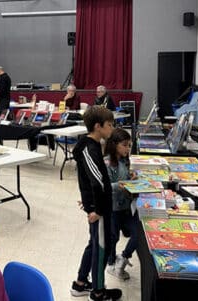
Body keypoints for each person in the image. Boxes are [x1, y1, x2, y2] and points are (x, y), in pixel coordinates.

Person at [71, 105, 122, 301]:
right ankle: (98, 292)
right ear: (98, 126)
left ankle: (81, 283)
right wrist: (97, 209)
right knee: (102, 248)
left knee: (94, 244)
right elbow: (98, 181)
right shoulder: (89, 148)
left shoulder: (91, 145)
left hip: (96, 206)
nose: (112, 128)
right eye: (110, 125)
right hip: (98, 210)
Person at [104, 128, 138, 280]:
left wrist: (132, 177)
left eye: (129, 145)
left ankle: (124, 257)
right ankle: (111, 263)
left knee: (138, 233)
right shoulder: (106, 163)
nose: (127, 148)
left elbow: (126, 175)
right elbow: (104, 186)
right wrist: (120, 185)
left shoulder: (125, 159)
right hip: (113, 208)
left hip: (126, 207)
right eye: (124, 145)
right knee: (113, 237)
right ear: (114, 144)